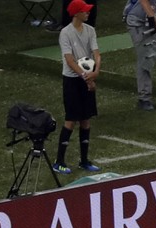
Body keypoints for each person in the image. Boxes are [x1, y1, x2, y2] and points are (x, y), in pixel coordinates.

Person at [54, 0, 102, 175]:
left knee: (86, 120)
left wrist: (96, 72)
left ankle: (84, 160)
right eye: (85, 11)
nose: (88, 13)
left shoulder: (90, 30)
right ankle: (59, 161)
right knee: (71, 120)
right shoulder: (65, 33)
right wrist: (87, 77)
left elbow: (96, 53)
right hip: (72, 80)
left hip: (86, 77)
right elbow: (69, 60)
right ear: (76, 13)